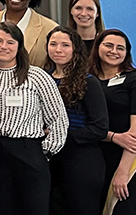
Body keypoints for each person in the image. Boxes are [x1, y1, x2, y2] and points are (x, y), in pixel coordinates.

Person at [0, 22, 68, 215]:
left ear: (19, 46)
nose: (3, 46)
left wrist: (45, 152)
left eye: (10, 42)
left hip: (29, 152)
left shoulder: (36, 76)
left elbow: (58, 119)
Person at [43, 26, 109, 214]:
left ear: (75, 49)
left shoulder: (89, 82)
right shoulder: (43, 79)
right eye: (53, 44)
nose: (58, 49)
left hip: (82, 160)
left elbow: (100, 128)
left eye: (65, 45)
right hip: (51, 161)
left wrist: (61, 135)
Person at [89, 29, 136, 214]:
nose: (114, 51)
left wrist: (123, 173)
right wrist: (112, 137)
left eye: (120, 48)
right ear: (97, 47)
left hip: (129, 158)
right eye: (109, 45)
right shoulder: (87, 79)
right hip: (96, 157)